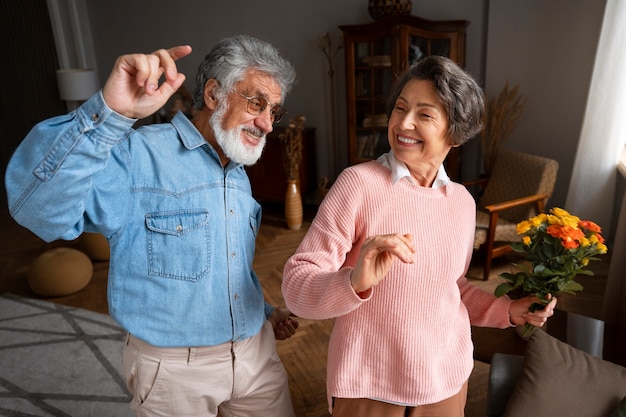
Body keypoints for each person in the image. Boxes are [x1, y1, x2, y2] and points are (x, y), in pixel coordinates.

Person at [6, 35, 299, 417]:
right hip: (175, 371)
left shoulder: (238, 171)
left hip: (255, 354)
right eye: (256, 102)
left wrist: (263, 310)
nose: (267, 123)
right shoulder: (138, 156)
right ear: (213, 94)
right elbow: (37, 208)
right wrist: (108, 112)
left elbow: (225, 267)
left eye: (274, 110)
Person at [281, 55, 557, 417]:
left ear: (455, 133)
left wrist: (508, 310)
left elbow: (452, 289)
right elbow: (297, 287)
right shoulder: (358, 184)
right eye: (400, 108)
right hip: (370, 386)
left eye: (424, 114)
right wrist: (354, 281)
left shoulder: (460, 202)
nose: (403, 123)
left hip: (445, 382)